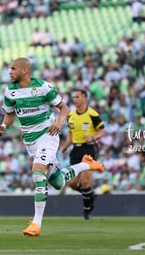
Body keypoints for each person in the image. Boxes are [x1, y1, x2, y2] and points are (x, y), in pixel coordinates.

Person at [0, 58, 104, 236]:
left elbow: (64, 108)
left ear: (24, 71)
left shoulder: (43, 87)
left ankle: (36, 224)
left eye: (13, 69)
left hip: (48, 135)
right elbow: (10, 114)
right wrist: (3, 126)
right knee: (57, 181)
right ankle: (87, 164)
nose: (10, 72)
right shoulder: (10, 91)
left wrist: (59, 122)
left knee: (38, 172)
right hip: (30, 141)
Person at [60, 89, 105, 220]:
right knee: (72, 183)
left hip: (89, 149)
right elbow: (71, 133)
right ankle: (90, 195)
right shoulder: (71, 115)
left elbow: (102, 131)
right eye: (74, 97)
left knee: (85, 181)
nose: (75, 99)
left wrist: (93, 137)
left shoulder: (92, 114)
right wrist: (65, 147)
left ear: (85, 98)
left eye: (78, 97)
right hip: (76, 149)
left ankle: (87, 212)